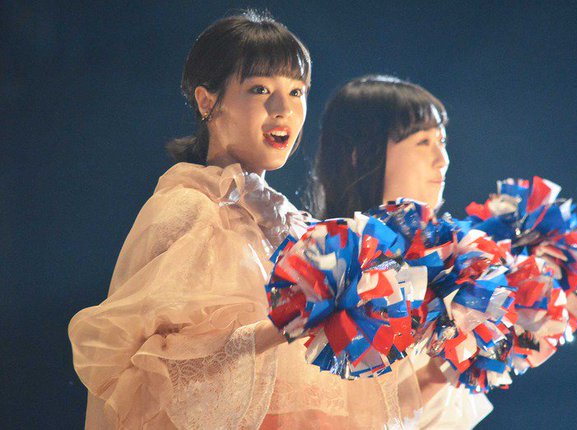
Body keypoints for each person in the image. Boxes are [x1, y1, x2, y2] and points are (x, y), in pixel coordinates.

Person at [68, 14, 425, 430]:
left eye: (296, 91)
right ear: (207, 102)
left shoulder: (291, 226)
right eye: (260, 89)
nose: (283, 109)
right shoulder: (189, 209)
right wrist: (285, 323)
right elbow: (152, 378)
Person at [312, 75, 494, 429]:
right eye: (423, 142)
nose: (442, 159)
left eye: (442, 141)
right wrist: (443, 368)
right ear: (360, 153)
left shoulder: (443, 263)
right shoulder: (331, 267)